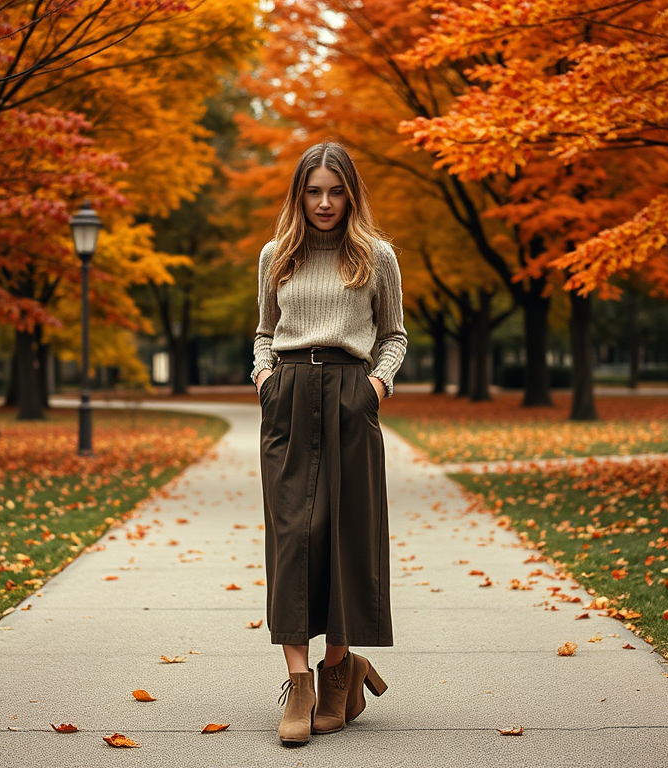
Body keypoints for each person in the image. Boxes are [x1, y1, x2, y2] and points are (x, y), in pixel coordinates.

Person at [252, 141, 407, 746]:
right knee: (293, 537)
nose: (323, 203)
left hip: (349, 394)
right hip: (287, 396)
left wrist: (373, 387)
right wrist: (265, 380)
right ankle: (299, 681)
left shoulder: (377, 257)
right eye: (313, 191)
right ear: (299, 194)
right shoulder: (275, 256)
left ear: (351, 194)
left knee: (345, 535)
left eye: (335, 191)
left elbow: (393, 336)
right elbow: (264, 332)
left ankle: (340, 668)